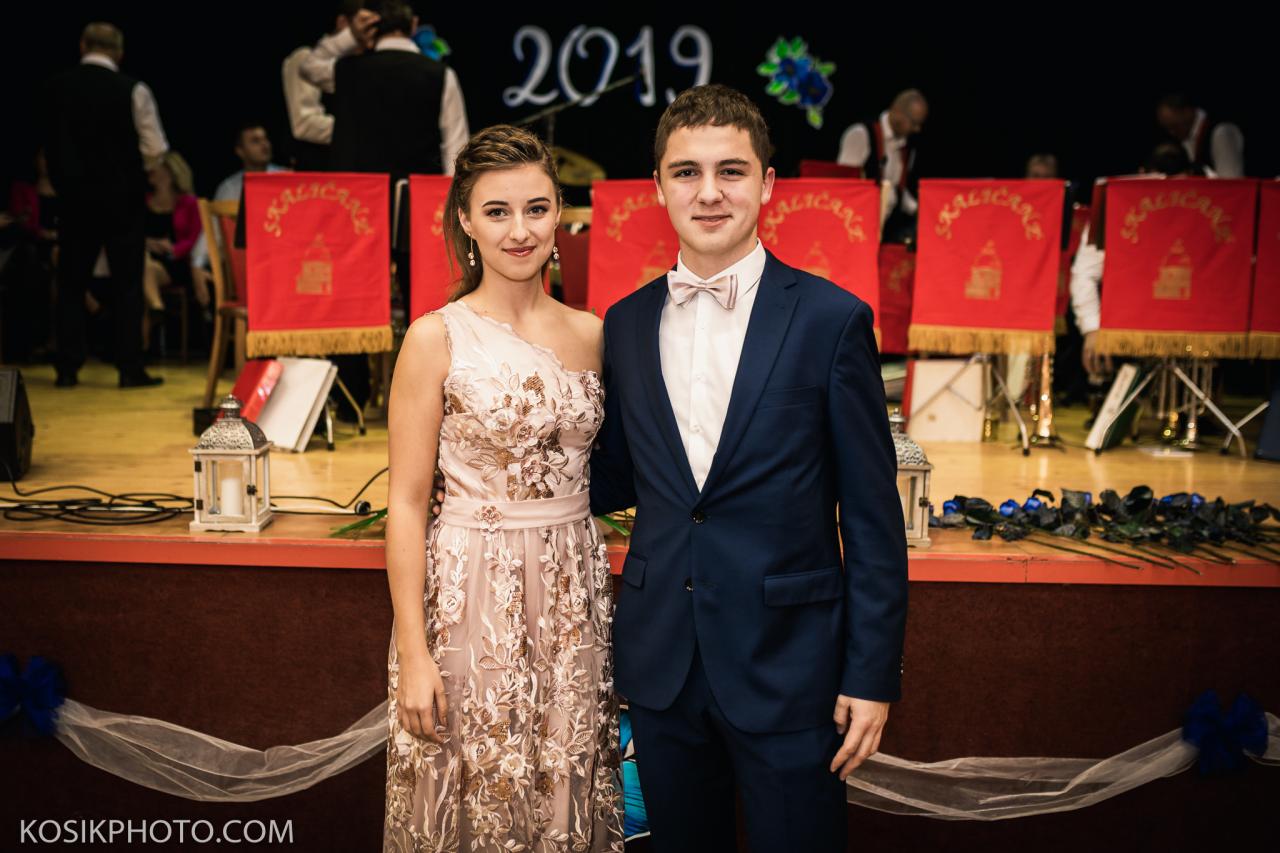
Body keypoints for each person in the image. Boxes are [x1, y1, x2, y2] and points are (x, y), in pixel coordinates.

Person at [589, 84, 908, 851]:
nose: (709, 192)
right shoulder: (624, 323)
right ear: (658, 187)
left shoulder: (832, 320)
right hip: (662, 664)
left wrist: (870, 675)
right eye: (687, 172)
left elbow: (872, 518)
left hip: (790, 665)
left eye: (730, 171)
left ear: (767, 184)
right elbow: (618, 476)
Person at [382, 124, 623, 851]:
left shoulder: (594, 333)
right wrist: (414, 653)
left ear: (560, 215)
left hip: (574, 593)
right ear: (465, 220)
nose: (520, 231)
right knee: (474, 781)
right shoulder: (435, 337)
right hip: (471, 594)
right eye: (497, 211)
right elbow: (406, 504)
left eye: (536, 209)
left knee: (564, 779)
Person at [41, 21, 167, 387]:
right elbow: (155, 147)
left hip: (73, 198)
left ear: (83, 45)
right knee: (127, 283)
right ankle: (129, 367)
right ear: (119, 52)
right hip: (122, 197)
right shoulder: (132, 89)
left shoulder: (55, 88)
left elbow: (48, 142)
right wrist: (132, 170)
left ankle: (67, 367)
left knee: (70, 282)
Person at [837, 89, 927, 243]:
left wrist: (919, 209)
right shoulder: (861, 134)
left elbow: (897, 189)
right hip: (855, 229)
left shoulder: (907, 147)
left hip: (886, 231)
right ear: (898, 112)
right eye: (913, 123)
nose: (917, 129)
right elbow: (845, 186)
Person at [281, 2, 361, 171]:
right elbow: (305, 124)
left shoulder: (357, 62)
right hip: (317, 170)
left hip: (350, 167)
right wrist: (362, 130)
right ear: (342, 22)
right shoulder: (305, 58)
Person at [1155, 93, 1244, 178]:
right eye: (1167, 128)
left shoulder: (1221, 131)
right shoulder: (1185, 137)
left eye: (1174, 126)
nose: (1172, 133)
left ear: (1187, 112)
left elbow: (1230, 179)